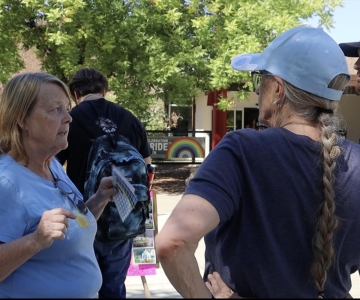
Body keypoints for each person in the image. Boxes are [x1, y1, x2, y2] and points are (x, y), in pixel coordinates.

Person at [155, 25, 360, 298]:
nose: (256, 91)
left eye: (258, 79)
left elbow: (172, 243)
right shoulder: (356, 161)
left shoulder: (242, 151)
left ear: (277, 89)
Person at [0, 72, 117, 298]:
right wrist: (35, 240)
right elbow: (44, 235)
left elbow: (72, 225)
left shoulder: (51, 165)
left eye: (67, 108)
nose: (69, 118)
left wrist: (99, 199)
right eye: (56, 110)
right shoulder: (7, 182)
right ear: (22, 119)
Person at [56, 68, 152, 298]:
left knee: (83, 287)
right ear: (105, 90)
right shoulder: (129, 118)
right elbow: (147, 166)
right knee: (114, 286)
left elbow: (52, 167)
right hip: (124, 214)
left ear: (75, 92)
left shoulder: (69, 120)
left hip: (84, 215)